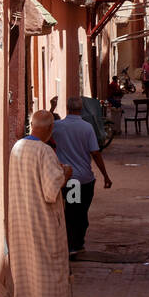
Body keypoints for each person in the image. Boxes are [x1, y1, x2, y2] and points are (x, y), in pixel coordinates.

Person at [8, 110, 73, 297]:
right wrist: (65, 174)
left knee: (24, 265)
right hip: (40, 219)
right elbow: (50, 191)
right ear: (49, 128)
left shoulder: (17, 147)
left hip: (19, 217)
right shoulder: (44, 151)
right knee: (44, 266)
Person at [51, 95, 113, 256]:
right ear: (81, 109)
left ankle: (74, 243)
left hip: (68, 178)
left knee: (73, 211)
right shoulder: (87, 127)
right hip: (83, 179)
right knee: (78, 212)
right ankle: (74, 245)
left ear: (68, 108)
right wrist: (105, 175)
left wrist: (51, 108)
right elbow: (95, 152)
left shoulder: (57, 126)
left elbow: (45, 125)